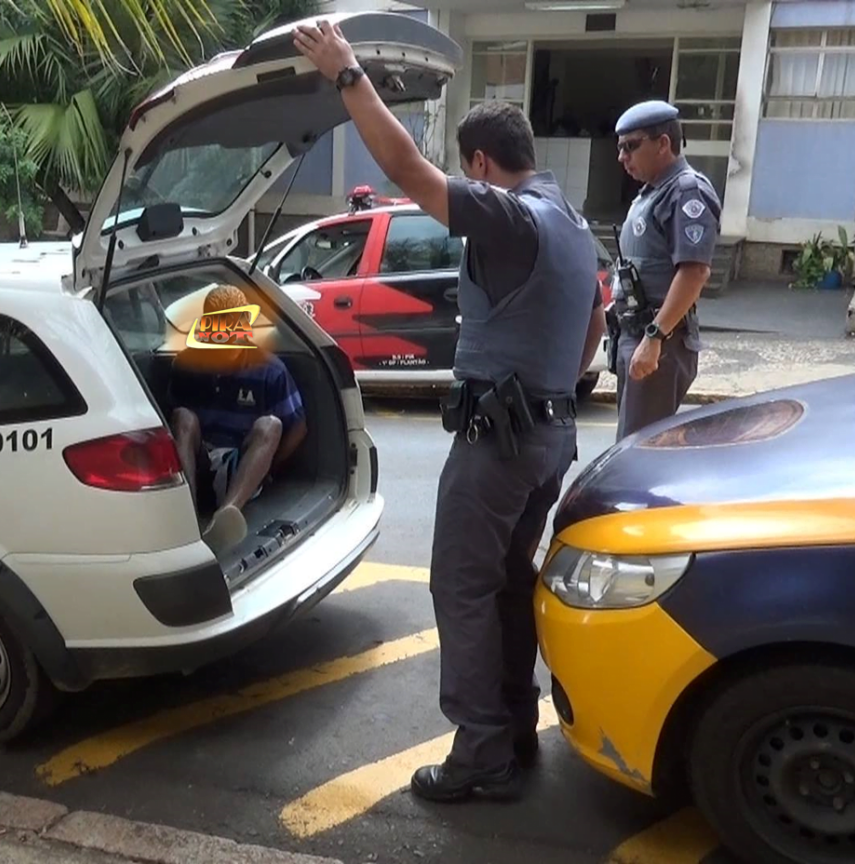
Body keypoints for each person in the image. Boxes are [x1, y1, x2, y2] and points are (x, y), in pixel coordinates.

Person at [294, 20, 603, 803]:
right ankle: (514, 725)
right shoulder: (570, 222)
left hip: (499, 445)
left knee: (461, 588)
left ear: (480, 164)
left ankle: (481, 757)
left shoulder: (509, 215)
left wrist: (347, 73)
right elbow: (595, 323)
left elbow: (405, 167)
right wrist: (548, 389)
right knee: (506, 583)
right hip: (550, 437)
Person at [607, 100, 722, 440]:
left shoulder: (686, 191)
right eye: (620, 148)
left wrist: (654, 337)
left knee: (638, 451)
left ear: (663, 144)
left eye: (631, 146)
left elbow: (694, 272)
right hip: (637, 334)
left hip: (659, 340)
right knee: (632, 446)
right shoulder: (652, 193)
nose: (622, 157)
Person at [166, 284, 307, 553]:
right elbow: (173, 425)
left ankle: (227, 515)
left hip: (241, 464)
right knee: (182, 417)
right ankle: (188, 514)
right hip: (199, 460)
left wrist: (268, 469)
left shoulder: (270, 370)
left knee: (271, 425)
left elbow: (298, 427)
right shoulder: (187, 364)